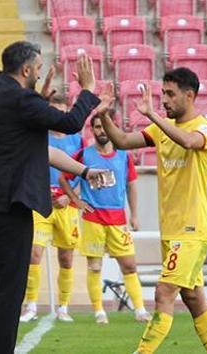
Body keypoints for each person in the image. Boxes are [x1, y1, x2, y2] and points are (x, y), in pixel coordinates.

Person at [0, 41, 100, 353]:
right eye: (37, 65)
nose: (39, 70)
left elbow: (17, 127)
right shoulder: (22, 100)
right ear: (26, 69)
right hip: (8, 204)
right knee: (10, 288)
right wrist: (87, 90)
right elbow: (71, 123)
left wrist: (39, 98)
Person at [98, 68, 207, 354]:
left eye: (170, 94)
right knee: (193, 298)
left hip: (192, 230)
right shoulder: (160, 129)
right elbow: (123, 142)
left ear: (189, 96)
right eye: (162, 94)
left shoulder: (204, 128)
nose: (164, 100)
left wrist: (152, 115)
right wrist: (104, 113)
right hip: (172, 230)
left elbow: (190, 142)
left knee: (164, 292)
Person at [61, 114, 150, 324]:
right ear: (92, 130)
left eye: (105, 127)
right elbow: (63, 177)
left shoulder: (124, 156)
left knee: (129, 265)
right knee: (95, 266)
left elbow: (131, 185)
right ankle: (99, 311)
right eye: (97, 127)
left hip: (118, 219)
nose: (102, 131)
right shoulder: (84, 155)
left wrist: (134, 214)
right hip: (94, 219)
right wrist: (76, 200)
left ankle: (140, 310)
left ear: (112, 128)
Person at [20, 93, 86, 323]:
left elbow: (85, 173)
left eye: (59, 111)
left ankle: (64, 307)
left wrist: (71, 197)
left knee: (66, 258)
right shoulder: (39, 136)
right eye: (52, 111)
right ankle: (30, 306)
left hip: (66, 206)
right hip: (41, 203)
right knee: (34, 253)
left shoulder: (77, 140)